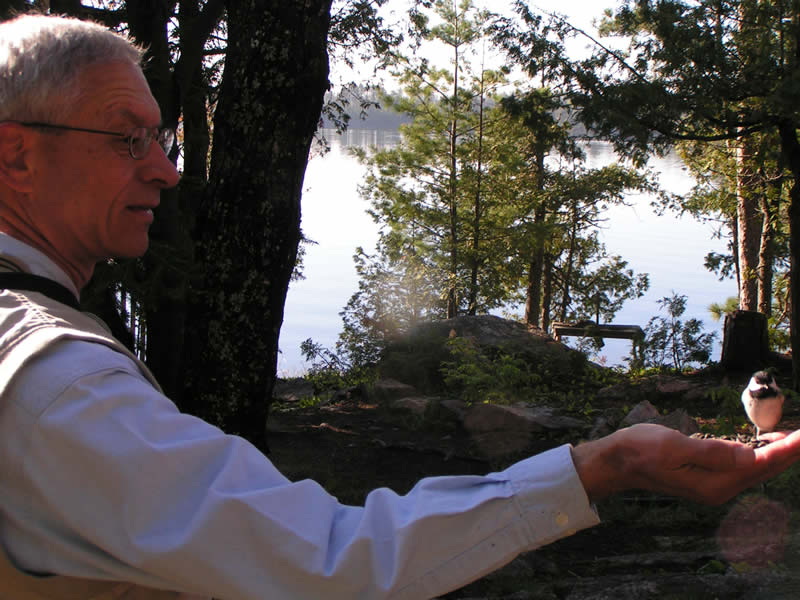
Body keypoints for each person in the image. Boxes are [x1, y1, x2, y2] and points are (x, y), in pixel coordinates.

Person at [0, 13, 799, 600]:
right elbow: (334, 562)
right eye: (126, 139)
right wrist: (605, 465)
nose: (166, 171)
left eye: (161, 137)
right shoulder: (56, 386)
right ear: (16, 153)